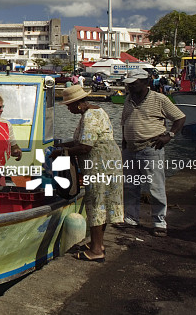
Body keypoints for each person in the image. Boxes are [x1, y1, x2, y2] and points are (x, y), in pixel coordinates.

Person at [51, 84, 123, 262]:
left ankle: (97, 250)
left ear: (78, 104)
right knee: (102, 203)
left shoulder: (90, 117)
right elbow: (80, 140)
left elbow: (85, 147)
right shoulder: (96, 111)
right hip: (107, 162)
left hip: (100, 164)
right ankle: (97, 243)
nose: (68, 109)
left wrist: (62, 152)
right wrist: (61, 145)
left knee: (96, 204)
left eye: (69, 106)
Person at [120, 68, 186, 237]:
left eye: (134, 84)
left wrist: (169, 135)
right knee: (130, 186)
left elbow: (179, 117)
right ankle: (131, 218)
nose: (130, 87)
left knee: (155, 187)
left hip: (151, 148)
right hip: (130, 149)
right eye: (129, 84)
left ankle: (159, 222)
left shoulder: (159, 99)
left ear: (145, 82)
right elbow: (124, 121)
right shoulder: (128, 99)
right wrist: (124, 140)